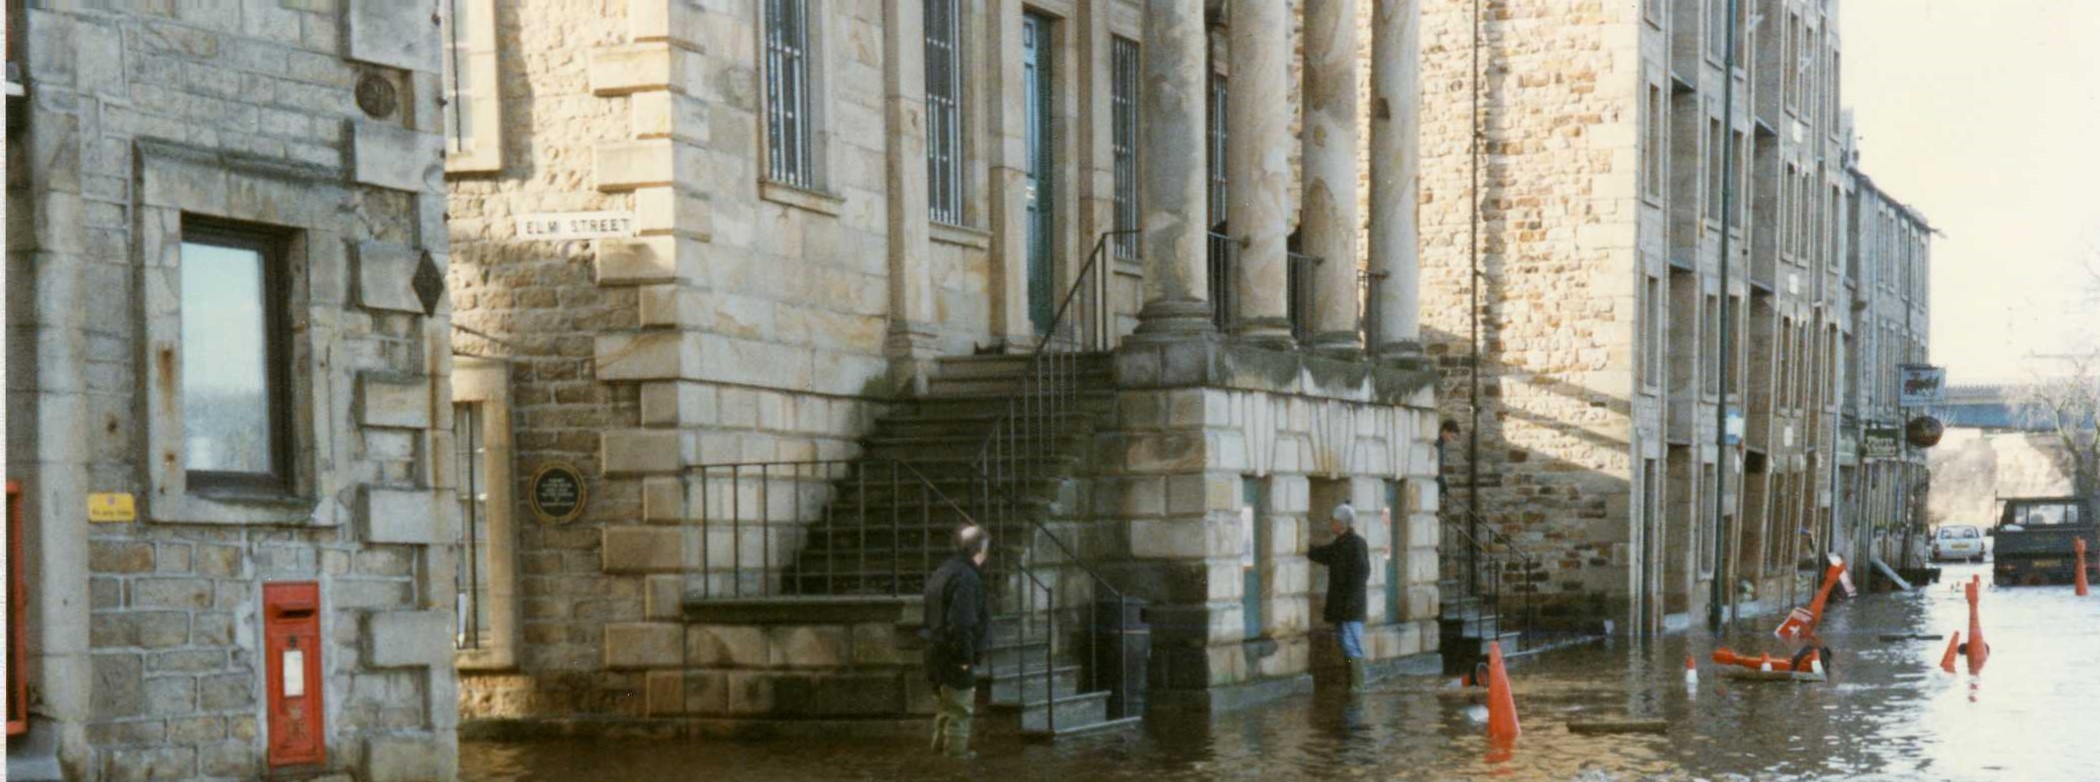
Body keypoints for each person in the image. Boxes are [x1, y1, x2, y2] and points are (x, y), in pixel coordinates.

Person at [923, 525, 991, 759]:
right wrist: (965, 658)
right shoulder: (967, 577)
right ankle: (955, 760)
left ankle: (939, 758)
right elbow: (962, 623)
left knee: (945, 711)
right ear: (979, 549)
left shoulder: (942, 571)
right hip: (954, 654)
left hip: (935, 651)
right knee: (960, 712)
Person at [1308, 501, 1371, 691]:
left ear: (1343, 524)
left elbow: (1362, 573)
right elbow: (1325, 554)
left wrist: (1351, 599)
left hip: (1351, 607)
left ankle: (1358, 684)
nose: (1332, 524)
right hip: (1342, 606)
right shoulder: (1340, 544)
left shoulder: (1356, 544)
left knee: (1353, 644)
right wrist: (1307, 548)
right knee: (1346, 643)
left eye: (1334, 521)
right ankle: (1351, 677)